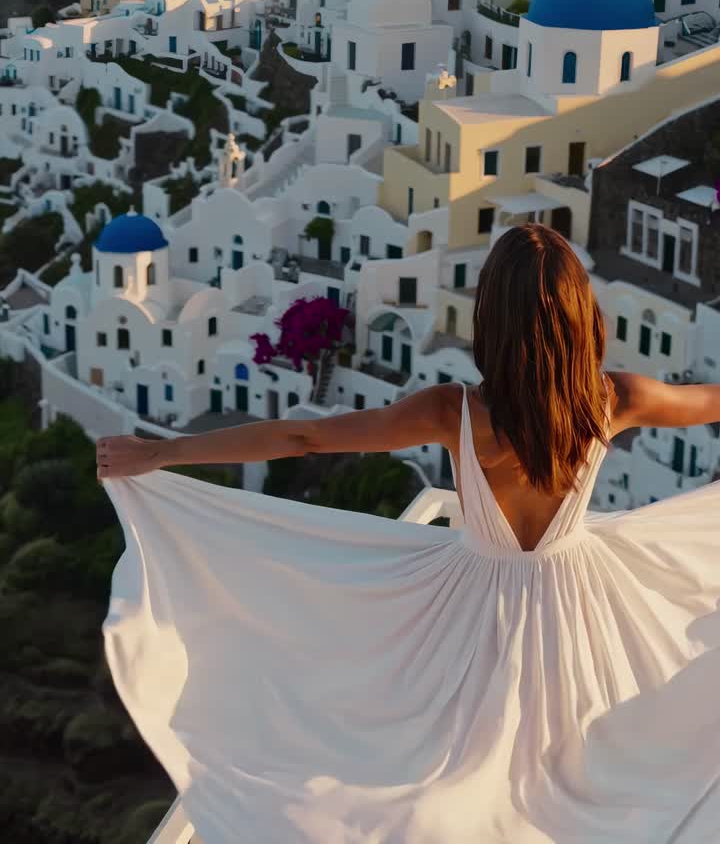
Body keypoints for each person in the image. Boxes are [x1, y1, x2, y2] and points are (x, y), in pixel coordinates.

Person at [98, 225, 720, 843]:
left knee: (453, 756)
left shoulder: (454, 412)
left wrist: (166, 451)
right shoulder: (614, 400)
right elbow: (712, 401)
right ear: (582, 313)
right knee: (578, 753)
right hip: (578, 601)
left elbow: (303, 436)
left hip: (477, 608)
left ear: (492, 318)